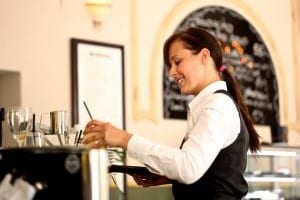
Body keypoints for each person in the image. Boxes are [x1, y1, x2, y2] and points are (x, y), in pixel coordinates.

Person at [82, 27, 261, 199]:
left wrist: (123, 139)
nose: (171, 73)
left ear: (204, 56)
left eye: (177, 62)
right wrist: (170, 177)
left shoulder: (218, 105)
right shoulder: (212, 104)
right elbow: (207, 171)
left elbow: (187, 167)